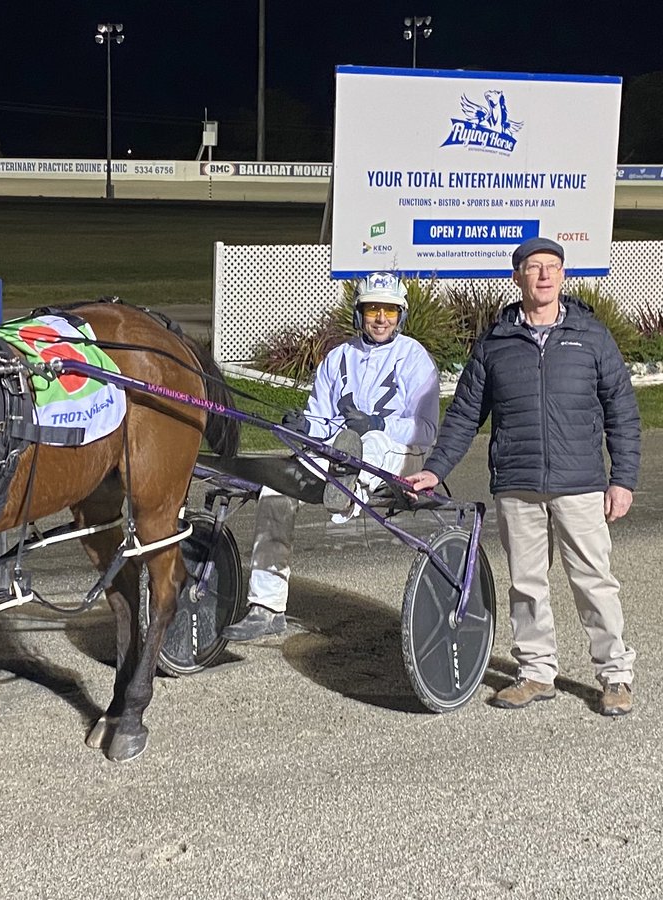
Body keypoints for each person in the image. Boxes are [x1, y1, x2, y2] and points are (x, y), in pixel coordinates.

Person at [406, 236, 641, 716]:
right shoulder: (496, 342)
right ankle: (536, 672)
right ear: (517, 276)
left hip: (580, 483)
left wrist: (623, 479)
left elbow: (622, 412)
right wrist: (434, 469)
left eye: (552, 267)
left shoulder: (591, 336)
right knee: (528, 584)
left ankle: (615, 675)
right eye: (534, 267)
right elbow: (466, 413)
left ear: (563, 275)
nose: (544, 275)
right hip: (517, 482)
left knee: (594, 581)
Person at [222, 272, 440, 641]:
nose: (381, 318)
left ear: (400, 315)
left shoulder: (415, 358)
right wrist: (306, 427)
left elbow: (427, 429)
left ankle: (348, 489)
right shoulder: (338, 358)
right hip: (340, 454)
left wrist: (377, 424)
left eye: (389, 310)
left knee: (370, 444)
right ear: (359, 313)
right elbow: (323, 418)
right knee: (279, 487)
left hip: (401, 454)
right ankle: (266, 606)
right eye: (373, 309)